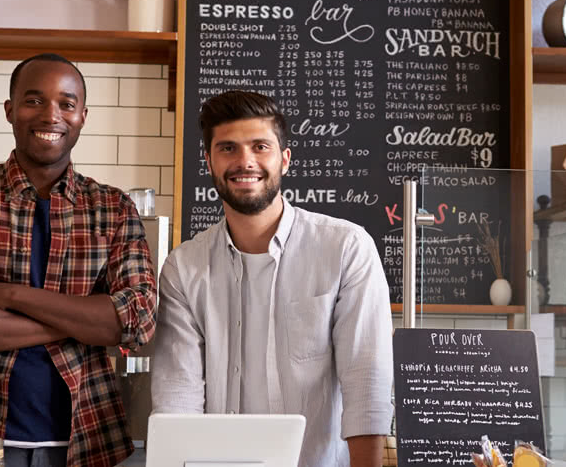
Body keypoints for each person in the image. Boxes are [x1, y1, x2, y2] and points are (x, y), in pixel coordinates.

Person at [0, 53, 157, 467]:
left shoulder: (113, 208)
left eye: (66, 103)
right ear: (10, 110)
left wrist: (6, 294)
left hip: (86, 441)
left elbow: (136, 320)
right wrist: (82, 324)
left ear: (82, 115)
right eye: (34, 100)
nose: (51, 115)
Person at [149, 90, 394, 467]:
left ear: (285, 159)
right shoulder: (184, 268)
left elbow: (366, 385)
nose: (244, 161)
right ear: (210, 161)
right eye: (227, 148)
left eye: (260, 146)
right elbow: (176, 400)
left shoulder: (346, 248)